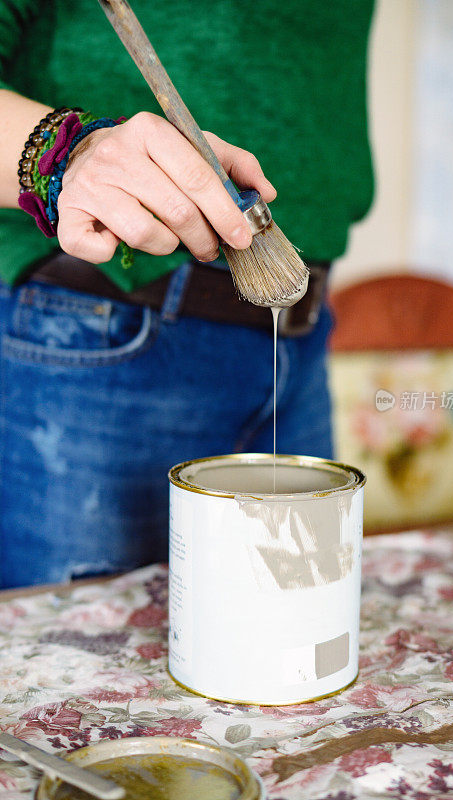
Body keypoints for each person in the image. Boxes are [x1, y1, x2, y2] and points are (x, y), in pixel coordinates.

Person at [0, 0, 375, 588]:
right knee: (86, 663)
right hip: (98, 347)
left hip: (300, 342)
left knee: (286, 645)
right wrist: (66, 154)